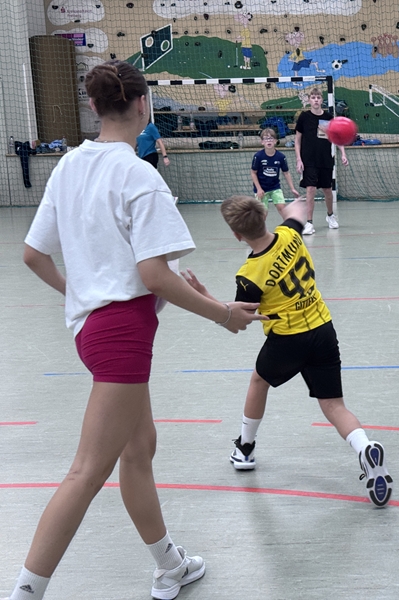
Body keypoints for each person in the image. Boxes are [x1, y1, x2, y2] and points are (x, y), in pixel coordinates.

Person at [3, 60, 265, 600]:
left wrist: (82, 296)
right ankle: (25, 591)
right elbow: (154, 276)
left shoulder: (68, 166)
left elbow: (33, 255)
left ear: (94, 106)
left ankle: (170, 565)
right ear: (143, 105)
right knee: (86, 471)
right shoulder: (141, 176)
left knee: (139, 447)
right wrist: (223, 315)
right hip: (121, 335)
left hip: (93, 330)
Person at [181, 196, 393, 508]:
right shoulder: (290, 234)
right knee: (333, 405)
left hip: (288, 340)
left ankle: (245, 449)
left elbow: (237, 320)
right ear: (264, 216)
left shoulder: (249, 275)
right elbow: (296, 213)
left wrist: (204, 296)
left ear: (236, 235)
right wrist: (294, 205)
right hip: (323, 329)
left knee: (258, 382)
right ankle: (364, 447)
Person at [294, 87, 348, 234]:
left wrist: (343, 153)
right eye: (313, 97)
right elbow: (297, 140)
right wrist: (299, 159)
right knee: (310, 189)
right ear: (309, 100)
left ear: (321, 100)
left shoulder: (329, 118)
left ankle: (330, 215)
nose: (316, 100)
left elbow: (337, 138)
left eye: (318, 97)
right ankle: (309, 223)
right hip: (309, 160)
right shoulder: (304, 117)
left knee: (327, 190)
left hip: (325, 159)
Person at [251, 127, 299, 221]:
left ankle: (288, 227)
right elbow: (253, 173)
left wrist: (292, 188)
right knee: (262, 213)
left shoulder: (281, 157)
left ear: (275, 141)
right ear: (262, 142)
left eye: (271, 138)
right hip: (261, 188)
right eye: (266, 138)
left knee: (283, 209)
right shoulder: (258, 156)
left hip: (275, 187)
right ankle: (259, 229)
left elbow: (286, 173)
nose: (269, 141)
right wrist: (259, 189)